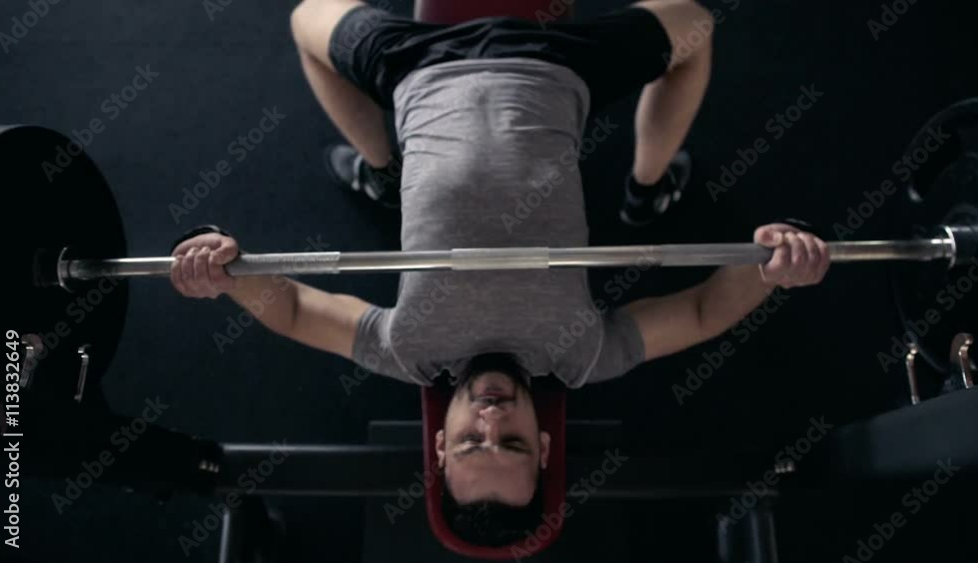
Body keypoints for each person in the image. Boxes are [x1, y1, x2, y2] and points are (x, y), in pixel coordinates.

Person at [169, 0, 832, 546]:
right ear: (545, 444)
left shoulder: (409, 350)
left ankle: (380, 169)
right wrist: (773, 269)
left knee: (305, 18)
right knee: (695, 24)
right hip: (557, 70)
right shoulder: (581, 353)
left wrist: (225, 273)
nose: (491, 417)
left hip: (417, 71)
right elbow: (699, 312)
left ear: (437, 446)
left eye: (469, 441)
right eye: (511, 441)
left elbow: (292, 310)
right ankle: (646, 187)